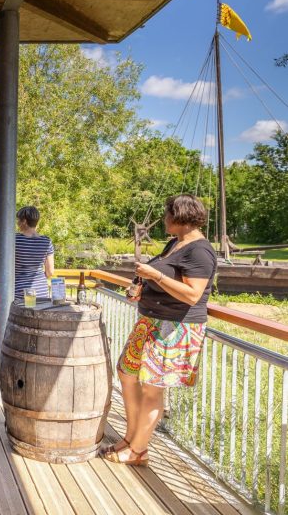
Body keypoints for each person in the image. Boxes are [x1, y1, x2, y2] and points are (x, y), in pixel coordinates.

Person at [103, 194, 217, 467]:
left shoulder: (200, 251)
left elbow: (192, 294)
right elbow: (160, 276)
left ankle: (139, 450)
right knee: (127, 373)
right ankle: (130, 438)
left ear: (180, 217)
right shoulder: (176, 243)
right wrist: (140, 287)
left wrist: (157, 276)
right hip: (149, 321)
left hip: (174, 327)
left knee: (153, 388)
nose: (164, 220)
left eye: (168, 215)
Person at [14, 205, 54, 300]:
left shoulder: (15, 239)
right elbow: (50, 272)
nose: (17, 223)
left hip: (20, 292)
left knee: (20, 315)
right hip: (41, 292)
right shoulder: (46, 241)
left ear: (24, 221)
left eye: (18, 220)